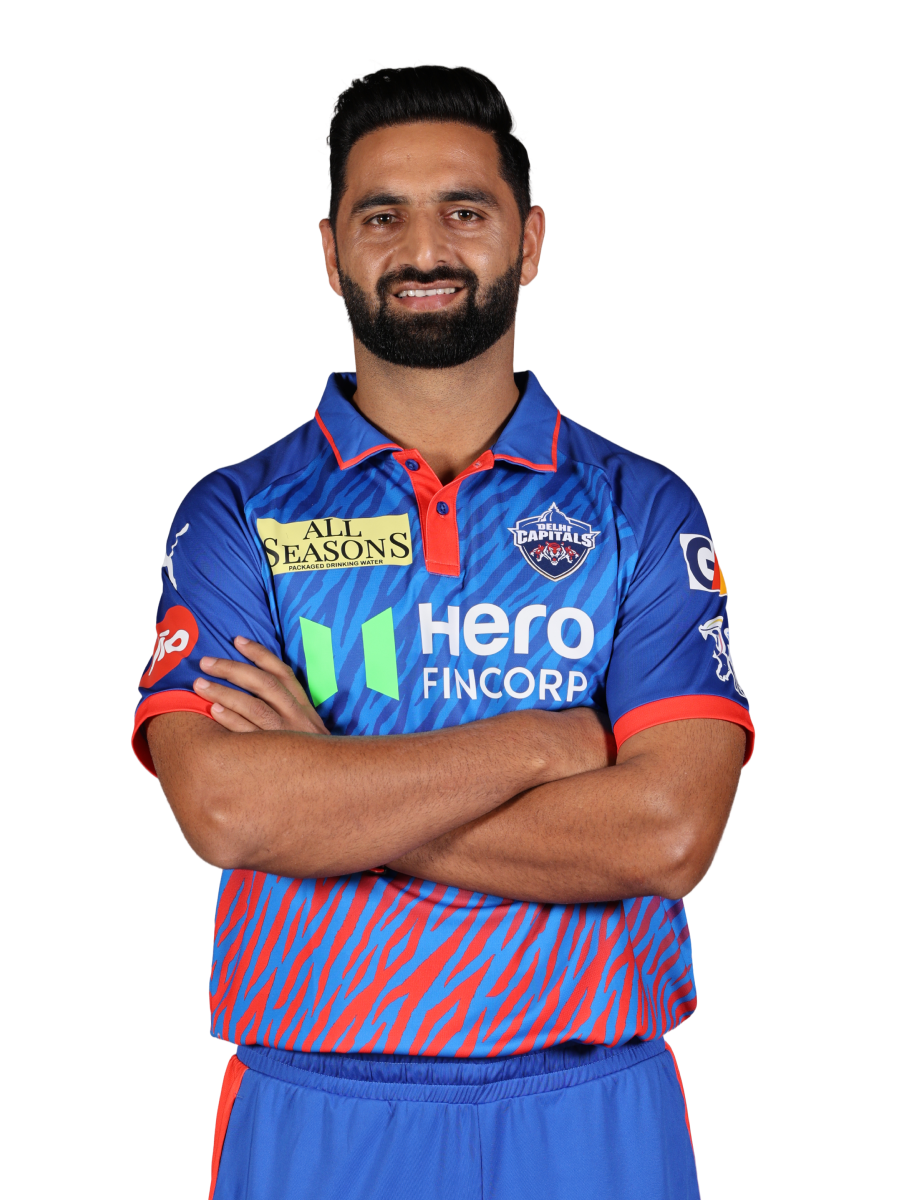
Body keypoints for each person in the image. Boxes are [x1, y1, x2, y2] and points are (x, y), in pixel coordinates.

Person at [133, 63, 754, 1200]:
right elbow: (228, 812)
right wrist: (543, 745)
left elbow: (667, 836)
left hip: (593, 1101)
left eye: (464, 210)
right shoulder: (237, 513)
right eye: (383, 216)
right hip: (317, 1100)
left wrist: (328, 794)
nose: (424, 248)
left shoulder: (644, 508)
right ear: (331, 252)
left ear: (530, 241)